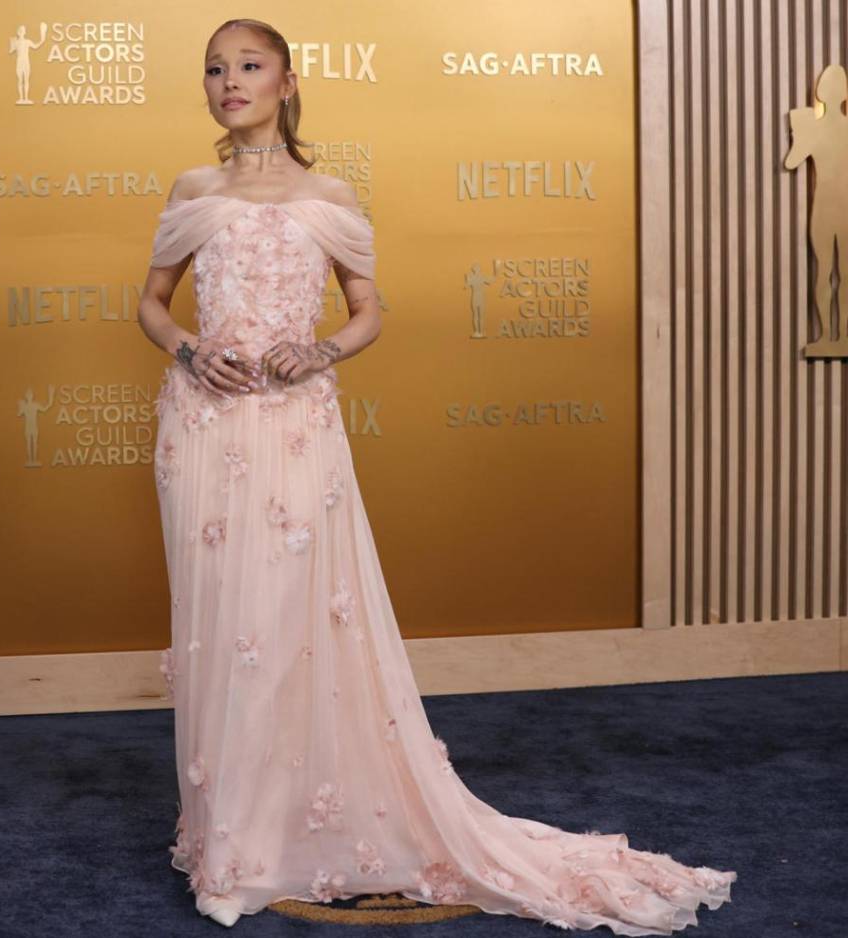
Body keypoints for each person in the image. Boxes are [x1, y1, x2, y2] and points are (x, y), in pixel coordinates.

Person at [136, 18, 736, 932]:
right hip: (206, 426)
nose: (230, 81)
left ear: (287, 83)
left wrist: (322, 350)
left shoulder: (330, 196)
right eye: (215, 68)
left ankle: (287, 828)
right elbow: (150, 302)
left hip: (294, 425)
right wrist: (187, 349)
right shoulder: (193, 190)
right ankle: (230, 841)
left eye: (249, 65)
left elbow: (368, 311)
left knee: (289, 617)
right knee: (221, 625)